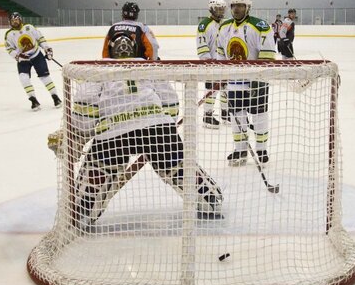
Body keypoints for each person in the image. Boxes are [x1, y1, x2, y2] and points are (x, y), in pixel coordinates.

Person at [48, 33, 224, 229]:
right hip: (157, 128)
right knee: (177, 166)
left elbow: (85, 112)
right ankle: (210, 201)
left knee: (98, 171)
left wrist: (77, 137)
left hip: (113, 134)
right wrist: (163, 124)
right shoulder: (149, 67)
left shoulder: (97, 70)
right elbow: (171, 103)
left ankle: (80, 213)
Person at [216, 0, 277, 166]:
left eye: (241, 5)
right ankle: (240, 149)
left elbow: (268, 54)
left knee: (259, 115)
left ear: (248, 7)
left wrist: (258, 79)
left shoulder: (260, 26)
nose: (236, 9)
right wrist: (221, 75)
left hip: (256, 81)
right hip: (234, 81)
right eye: (234, 5)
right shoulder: (224, 27)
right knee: (237, 116)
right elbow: (221, 53)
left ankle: (261, 149)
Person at [4, 12, 61, 110]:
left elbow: (40, 38)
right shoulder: (9, 35)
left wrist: (47, 49)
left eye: (16, 20)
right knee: (23, 78)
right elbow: (10, 49)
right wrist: (18, 56)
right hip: (23, 59)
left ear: (20, 19)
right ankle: (33, 100)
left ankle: (55, 97)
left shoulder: (29, 27)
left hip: (36, 55)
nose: (15, 22)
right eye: (12, 21)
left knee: (45, 77)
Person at [196, 0, 228, 128]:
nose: (220, 11)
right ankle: (207, 116)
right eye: (217, 9)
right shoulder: (204, 24)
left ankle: (226, 114)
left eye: (222, 9)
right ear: (211, 9)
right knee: (212, 89)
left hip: (224, 63)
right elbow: (202, 45)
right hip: (211, 64)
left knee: (226, 88)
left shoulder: (224, 24)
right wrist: (207, 62)